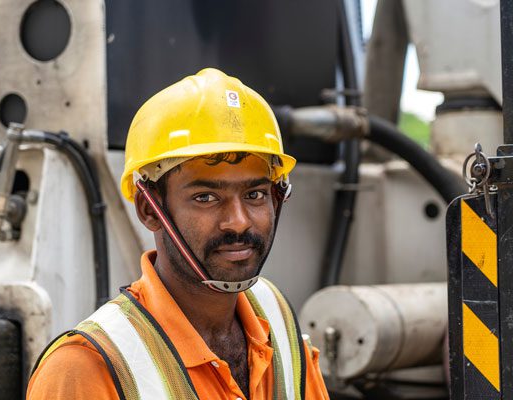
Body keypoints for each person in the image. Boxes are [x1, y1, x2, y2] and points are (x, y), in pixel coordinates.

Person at [27, 68, 329, 400]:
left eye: (254, 194)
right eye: (206, 198)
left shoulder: (275, 315)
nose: (239, 222)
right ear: (148, 209)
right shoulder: (85, 368)